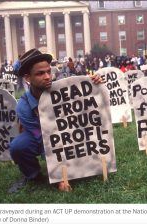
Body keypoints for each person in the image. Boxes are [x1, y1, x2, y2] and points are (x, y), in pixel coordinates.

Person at [8, 48, 102, 193]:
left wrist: (95, 83)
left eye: (48, 71)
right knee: (18, 147)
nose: (47, 77)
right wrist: (59, 176)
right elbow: (46, 141)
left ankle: (82, 163)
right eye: (40, 73)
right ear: (27, 78)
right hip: (40, 135)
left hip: (71, 132)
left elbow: (88, 101)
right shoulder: (23, 107)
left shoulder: (64, 88)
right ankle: (32, 175)